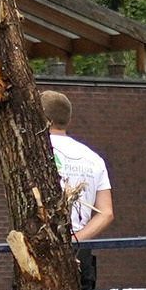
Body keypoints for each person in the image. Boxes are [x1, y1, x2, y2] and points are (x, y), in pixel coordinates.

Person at [42, 89, 113, 242]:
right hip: (80, 250)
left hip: (40, 246)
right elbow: (106, 212)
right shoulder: (94, 159)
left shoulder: (34, 152)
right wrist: (75, 240)